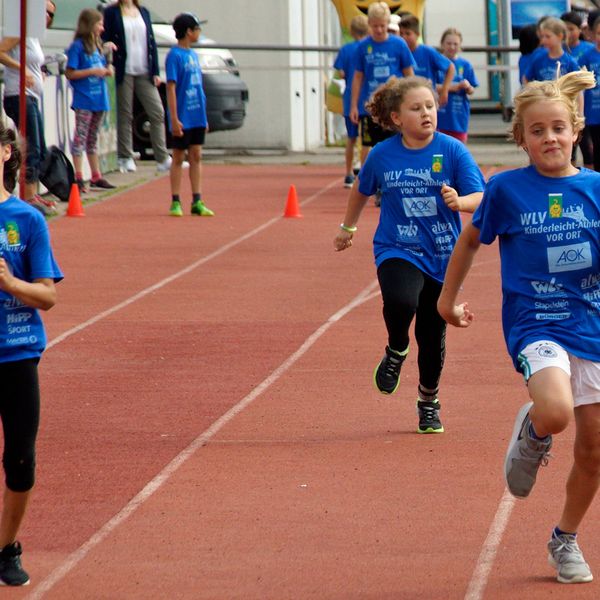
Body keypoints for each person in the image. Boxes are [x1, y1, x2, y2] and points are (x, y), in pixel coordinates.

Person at [438, 70, 600, 584]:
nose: (549, 138)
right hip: (537, 322)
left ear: (575, 131)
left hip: (591, 324)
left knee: (595, 450)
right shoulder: (506, 189)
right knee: (555, 412)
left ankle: (564, 540)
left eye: (558, 127)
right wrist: (447, 301)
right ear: (521, 138)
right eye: (537, 130)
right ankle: (534, 432)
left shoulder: (596, 188)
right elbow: (469, 242)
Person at [334, 76, 484, 433]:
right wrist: (348, 227)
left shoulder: (452, 151)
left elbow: (481, 196)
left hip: (443, 254)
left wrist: (459, 202)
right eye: (416, 109)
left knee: (432, 337)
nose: (426, 113)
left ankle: (428, 401)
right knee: (401, 302)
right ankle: (396, 348)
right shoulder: (384, 154)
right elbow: (361, 189)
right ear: (397, 118)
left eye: (430, 106)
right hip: (396, 247)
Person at [0, 123, 63, 585]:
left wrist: (8, 283)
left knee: (20, 460)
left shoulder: (27, 220)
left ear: (5, 153)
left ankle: (6, 549)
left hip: (17, 354)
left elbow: (47, 296)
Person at [0, 1, 58, 216]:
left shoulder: (33, 36)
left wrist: (37, 72)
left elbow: (31, 61)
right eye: (45, 12)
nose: (48, 18)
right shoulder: (19, 31)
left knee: (39, 147)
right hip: (19, 95)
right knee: (32, 147)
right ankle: (28, 197)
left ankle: (30, 194)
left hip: (31, 95)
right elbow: (1, 52)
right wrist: (22, 69)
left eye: (52, 14)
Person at [101, 0, 172, 174]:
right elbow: (104, 37)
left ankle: (162, 157)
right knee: (125, 113)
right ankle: (125, 156)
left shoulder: (143, 11)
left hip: (144, 69)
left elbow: (151, 41)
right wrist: (107, 46)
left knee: (157, 112)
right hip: (123, 68)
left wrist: (155, 70)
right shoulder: (112, 12)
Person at [349, 2, 415, 166]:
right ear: (369, 24)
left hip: (393, 103)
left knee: (397, 141)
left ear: (388, 24)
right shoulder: (363, 47)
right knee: (368, 144)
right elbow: (357, 77)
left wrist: (412, 99)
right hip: (370, 105)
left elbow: (409, 74)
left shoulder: (399, 44)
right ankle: (366, 180)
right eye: (375, 26)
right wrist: (353, 106)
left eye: (382, 26)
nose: (379, 30)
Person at [166, 13, 214, 218]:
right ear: (188, 32)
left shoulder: (194, 56)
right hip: (182, 115)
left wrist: (204, 117)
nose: (199, 32)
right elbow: (171, 87)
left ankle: (197, 200)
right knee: (178, 156)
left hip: (196, 115)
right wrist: (174, 118)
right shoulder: (174, 56)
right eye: (196, 29)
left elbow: (199, 87)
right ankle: (176, 201)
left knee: (196, 155)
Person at [65, 9, 116, 192]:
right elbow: (70, 73)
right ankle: (78, 176)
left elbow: (104, 66)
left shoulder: (98, 45)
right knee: (81, 137)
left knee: (92, 138)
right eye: (99, 24)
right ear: (89, 25)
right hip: (85, 99)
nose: (102, 28)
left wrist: (107, 66)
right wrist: (94, 71)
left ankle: (96, 175)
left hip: (99, 98)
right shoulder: (78, 47)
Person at [333, 14, 368, 188]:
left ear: (352, 31)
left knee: (352, 138)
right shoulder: (368, 48)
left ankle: (348, 173)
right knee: (368, 139)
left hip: (350, 99)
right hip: (366, 97)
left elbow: (341, 73)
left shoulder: (346, 49)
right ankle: (363, 173)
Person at [398, 13, 455, 107]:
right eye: (401, 34)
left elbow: (450, 67)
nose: (404, 37)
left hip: (427, 99)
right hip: (406, 99)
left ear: (417, 35)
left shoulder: (428, 52)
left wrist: (445, 90)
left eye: (408, 33)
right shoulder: (399, 52)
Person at [436, 28, 478, 143]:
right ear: (442, 44)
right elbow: (430, 86)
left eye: (455, 44)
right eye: (449, 43)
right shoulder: (436, 62)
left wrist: (468, 87)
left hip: (458, 118)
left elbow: (472, 90)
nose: (452, 47)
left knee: (458, 152)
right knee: (439, 154)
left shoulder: (465, 65)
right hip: (439, 116)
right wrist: (454, 87)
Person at [523, 17, 579, 83]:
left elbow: (578, 86)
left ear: (560, 36)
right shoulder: (538, 59)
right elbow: (526, 79)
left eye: (548, 36)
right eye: (542, 36)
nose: (543, 40)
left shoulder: (570, 62)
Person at [579, 16, 600, 171]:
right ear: (592, 34)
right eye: (599, 33)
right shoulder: (586, 56)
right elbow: (579, 82)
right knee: (596, 149)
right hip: (593, 112)